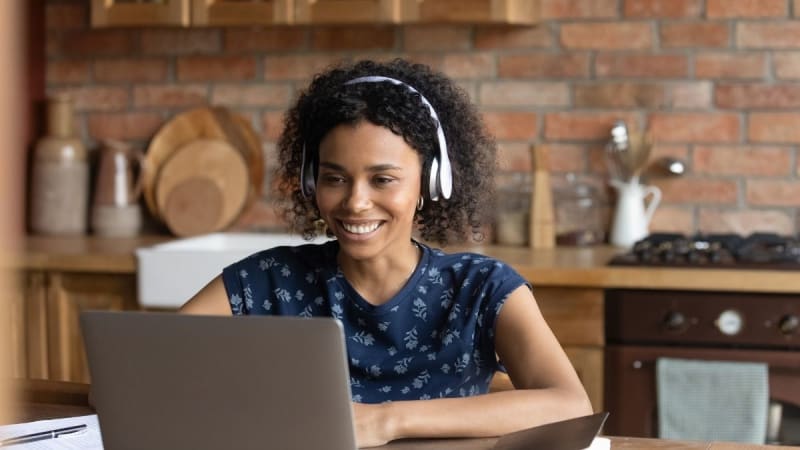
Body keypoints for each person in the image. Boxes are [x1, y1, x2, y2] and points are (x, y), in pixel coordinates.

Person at [180, 58, 592, 447]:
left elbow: (570, 406)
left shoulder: (483, 288)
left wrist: (386, 420)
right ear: (310, 182)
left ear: (429, 184)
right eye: (335, 178)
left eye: (382, 179)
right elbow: (154, 365)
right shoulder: (267, 279)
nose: (356, 202)